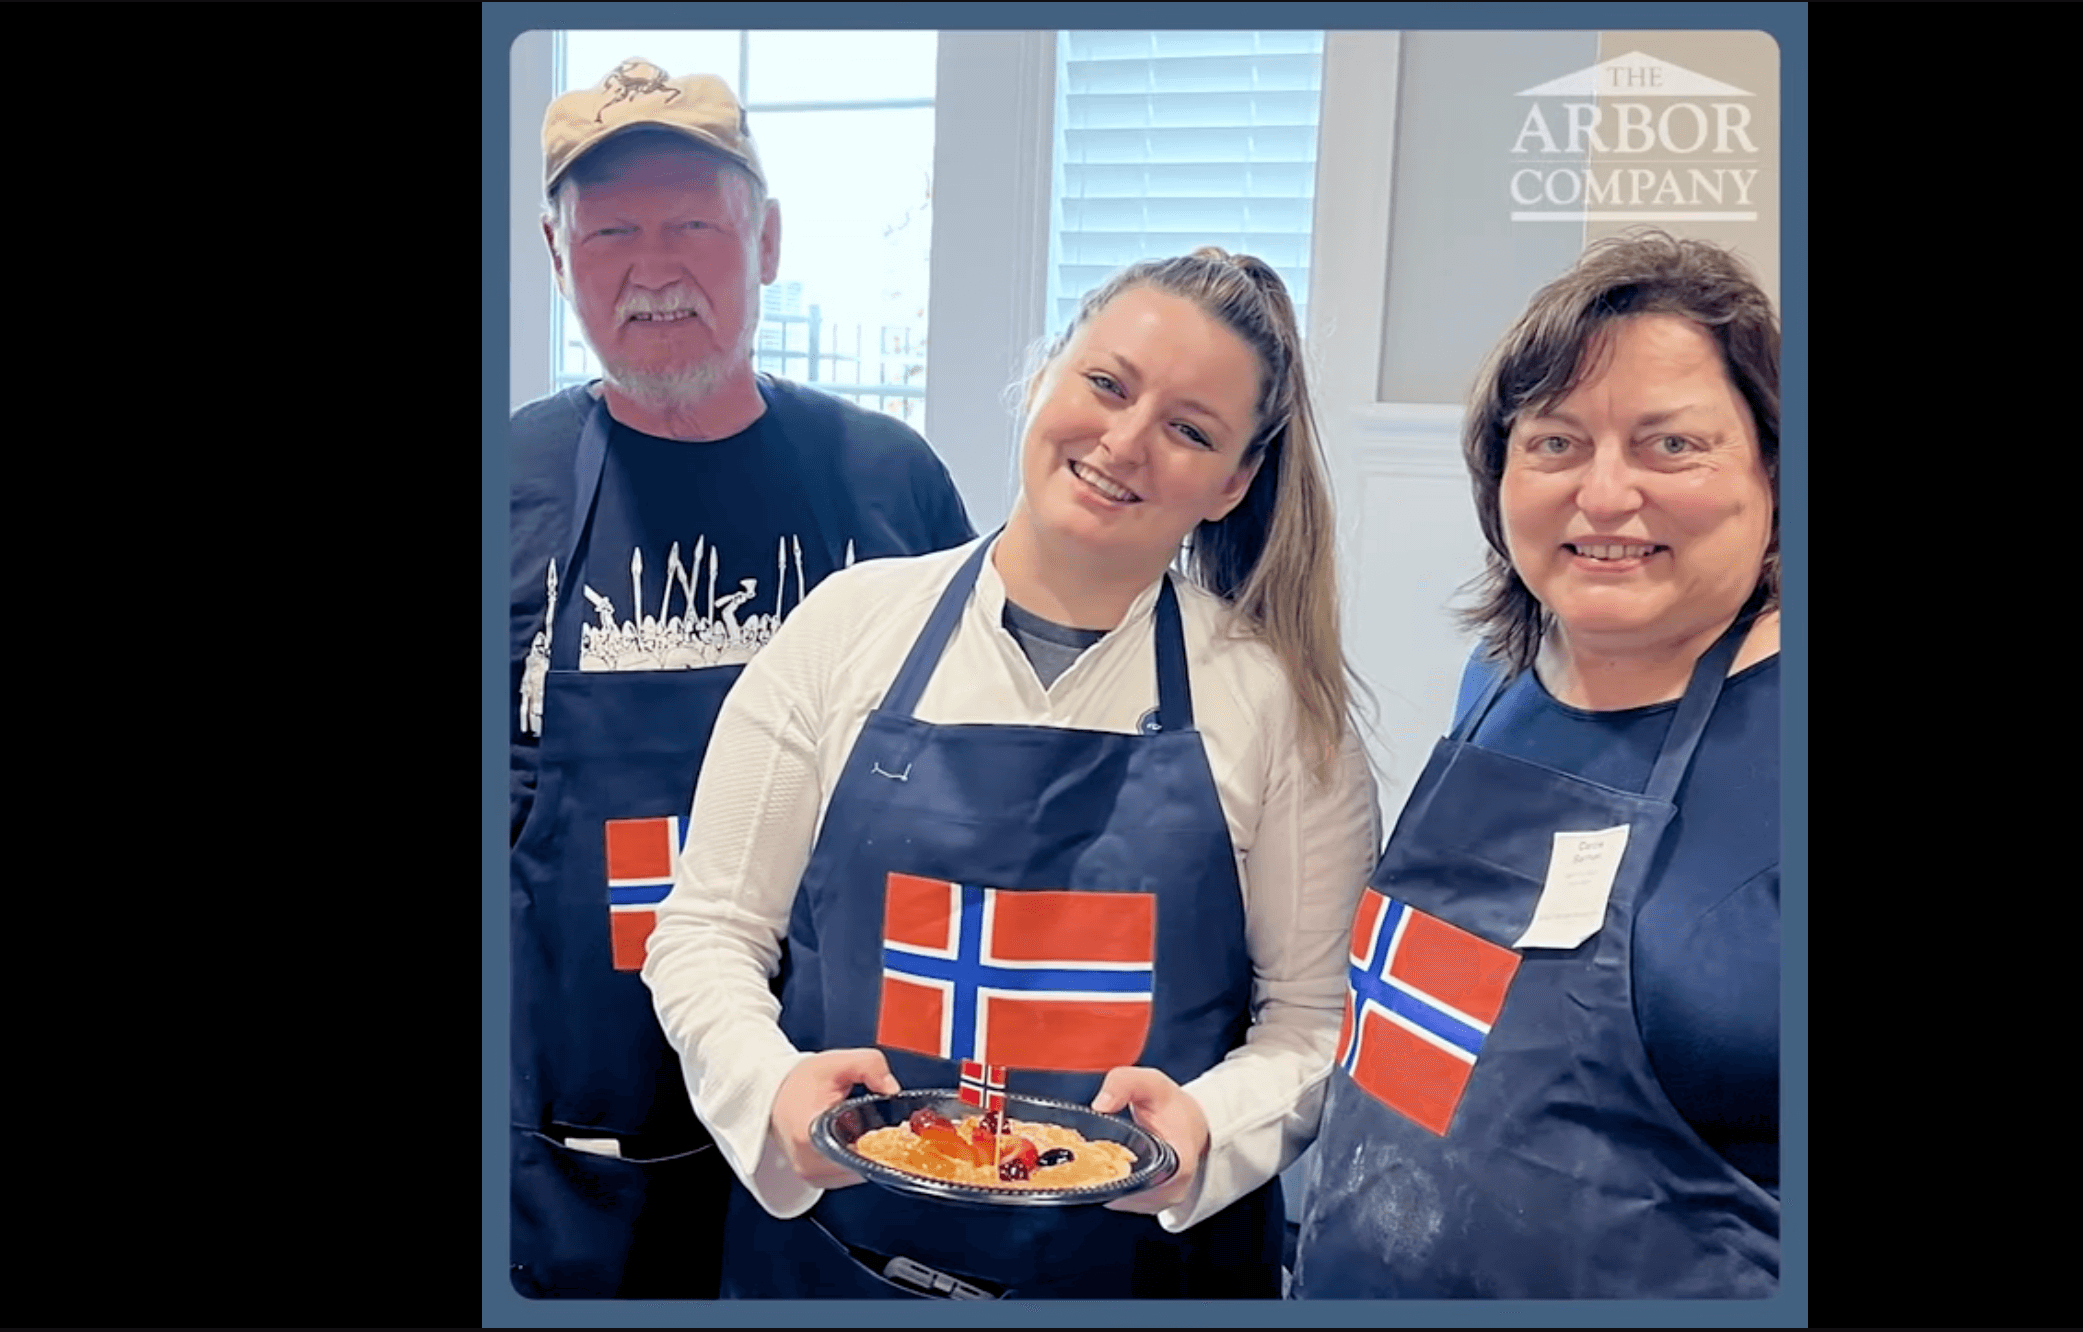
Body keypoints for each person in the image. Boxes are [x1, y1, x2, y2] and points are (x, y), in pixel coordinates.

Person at [641, 248, 1381, 1299]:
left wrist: (1208, 1128)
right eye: (1107, 383)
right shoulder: (844, 630)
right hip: (830, 1269)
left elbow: (1316, 1018)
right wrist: (770, 1094)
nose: (1125, 441)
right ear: (1043, 375)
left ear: (1234, 483)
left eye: (1190, 430)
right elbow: (708, 931)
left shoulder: (1277, 704)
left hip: (1144, 1282)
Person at [508, 60, 975, 1299]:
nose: (652, 269)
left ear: (765, 241)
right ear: (556, 257)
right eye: (609, 233)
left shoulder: (892, 482)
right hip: (582, 1126)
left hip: (844, 1099)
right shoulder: (511, 484)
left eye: (692, 226)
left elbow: (971, 781)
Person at [1292, 231, 1782, 1299]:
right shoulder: (1494, 684)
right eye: (1556, 442)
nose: (1603, 496)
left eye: (1671, 445)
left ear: (1772, 471)